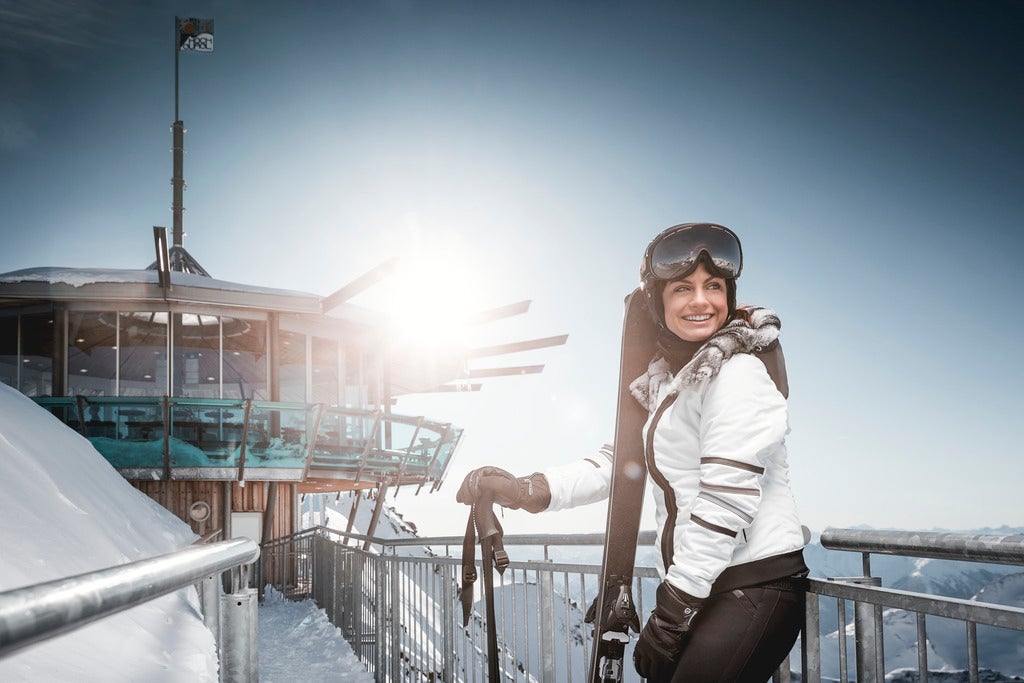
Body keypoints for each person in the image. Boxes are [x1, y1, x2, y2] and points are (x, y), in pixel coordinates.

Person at [457, 222, 808, 682]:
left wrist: (675, 609)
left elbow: (727, 499)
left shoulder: (737, 374)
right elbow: (622, 464)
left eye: (713, 287)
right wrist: (531, 490)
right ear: (658, 302)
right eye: (682, 288)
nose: (701, 301)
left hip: (754, 583)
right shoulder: (668, 383)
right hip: (705, 583)